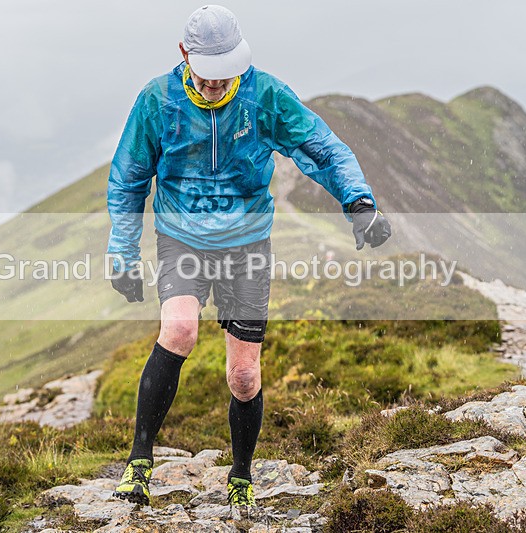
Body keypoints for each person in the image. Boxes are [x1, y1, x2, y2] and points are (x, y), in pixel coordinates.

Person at [106, 4, 391, 508]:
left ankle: (241, 476)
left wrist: (360, 202)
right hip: (183, 239)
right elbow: (128, 180)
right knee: (178, 331)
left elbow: (322, 149)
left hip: (247, 244)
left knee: (243, 375)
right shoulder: (157, 100)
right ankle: (139, 463)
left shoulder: (264, 95)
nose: (218, 84)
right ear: (184, 55)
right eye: (208, 74)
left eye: (227, 73)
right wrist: (123, 253)